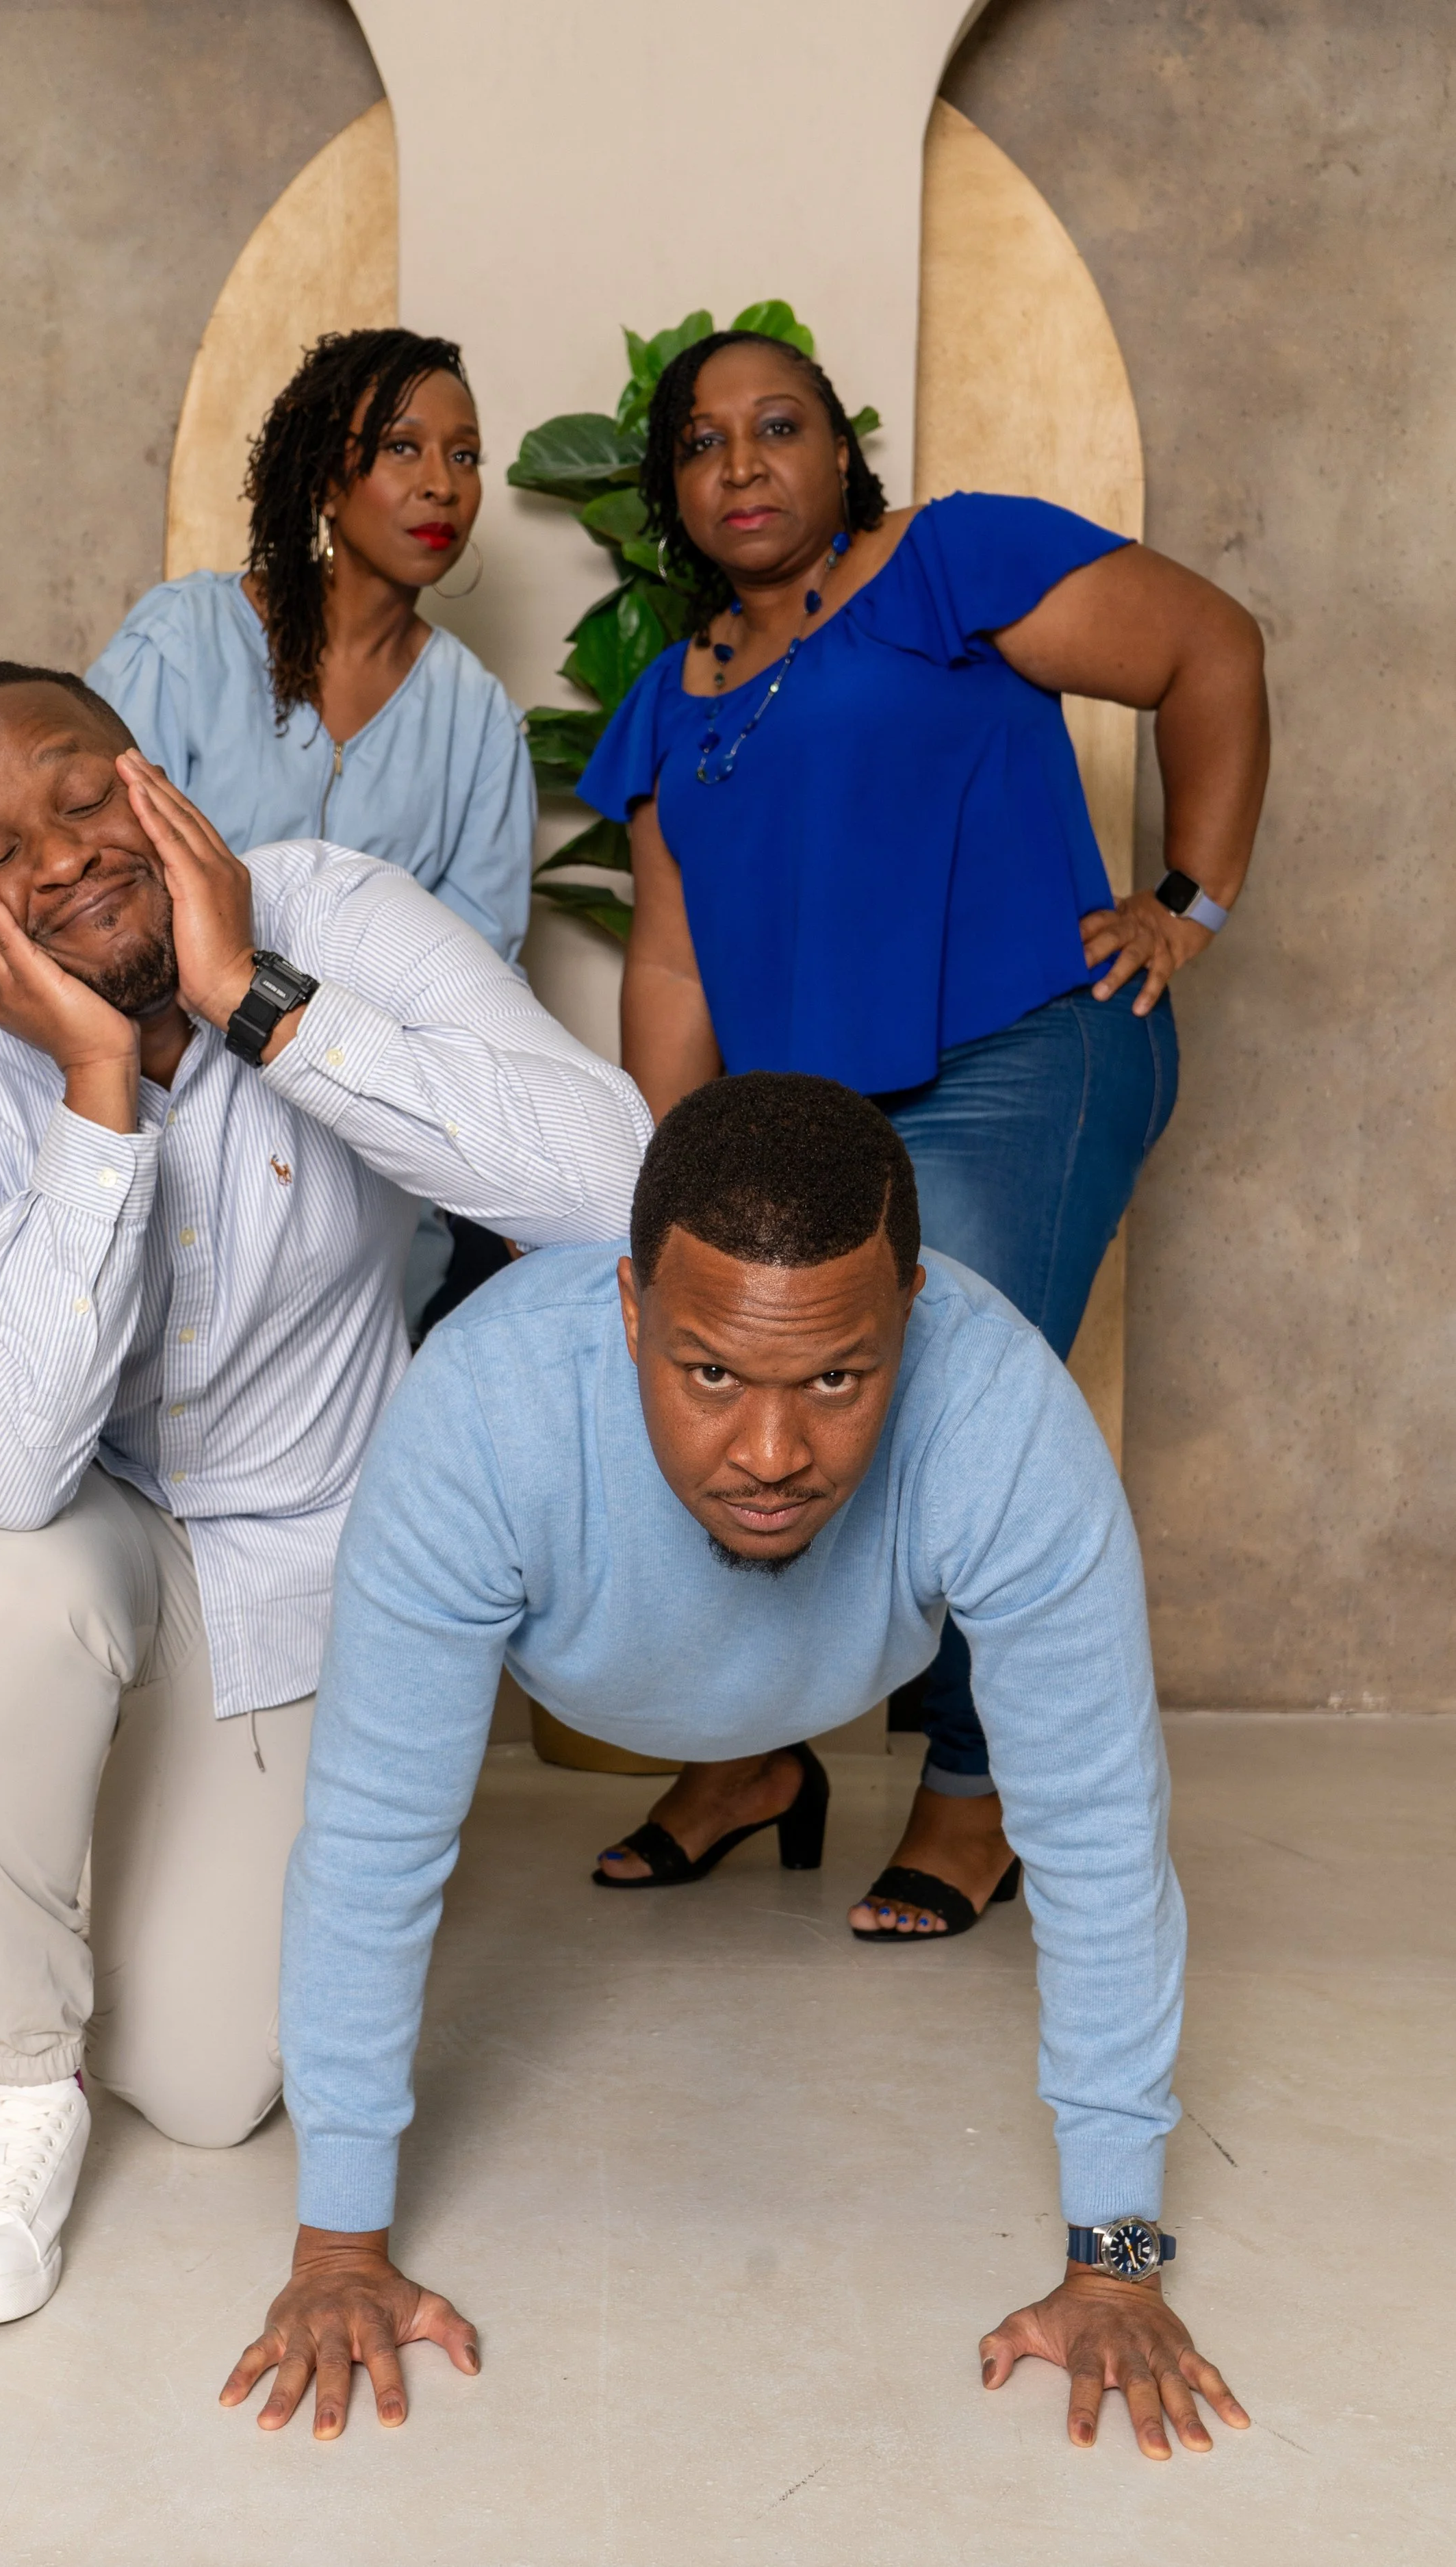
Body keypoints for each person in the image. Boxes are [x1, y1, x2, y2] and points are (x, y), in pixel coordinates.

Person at [229, 1075, 1249, 2460]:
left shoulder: (1004, 1414)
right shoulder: (479, 1407)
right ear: (629, 1307)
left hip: (839, 1657)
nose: (772, 1456)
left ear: (910, 1318)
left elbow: (1099, 1840)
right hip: (582, 1656)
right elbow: (372, 1844)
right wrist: (337, 2250)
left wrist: (1116, 2264)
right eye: (710, 1372)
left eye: (837, 1379)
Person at [0, 661, 649, 2329]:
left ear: (151, 779)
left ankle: (98, 1822)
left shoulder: (331, 912)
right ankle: (16, 2084)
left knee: (210, 2088)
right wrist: (95, 1093)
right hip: (68, 1514)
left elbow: (612, 1182)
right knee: (12, 1579)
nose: (62, 856)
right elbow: (1, 1470)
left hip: (290, 1546)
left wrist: (254, 1000)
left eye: (83, 797)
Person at [578, 327, 1268, 1937]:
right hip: (812, 1127)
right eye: (700, 442)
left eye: (778, 426)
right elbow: (671, 966)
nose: (740, 464)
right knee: (738, 1403)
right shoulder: (667, 701)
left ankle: (975, 1787)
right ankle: (752, 1757)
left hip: (1020, 1053)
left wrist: (1187, 900)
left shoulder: (947, 563)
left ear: (841, 451)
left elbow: (1207, 648)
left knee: (946, 1415)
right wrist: (674, 1190)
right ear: (671, 490)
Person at [88, 327, 534, 1325]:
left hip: (366, 1180)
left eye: (465, 455)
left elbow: (472, 980)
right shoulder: (185, 644)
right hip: (160, 1135)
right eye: (403, 448)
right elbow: (94, 892)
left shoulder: (476, 719)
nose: (443, 484)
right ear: (328, 477)